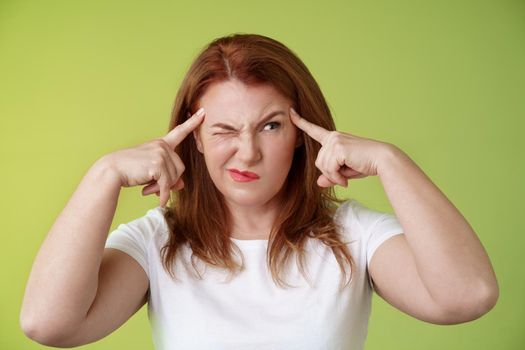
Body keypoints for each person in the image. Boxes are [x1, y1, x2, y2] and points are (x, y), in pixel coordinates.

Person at [20, 33, 499, 350]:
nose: (246, 153)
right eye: (224, 129)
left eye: (270, 126)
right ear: (194, 140)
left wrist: (392, 160)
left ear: (300, 137)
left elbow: (468, 296)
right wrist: (103, 174)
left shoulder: (353, 235)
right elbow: (49, 324)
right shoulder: (156, 243)